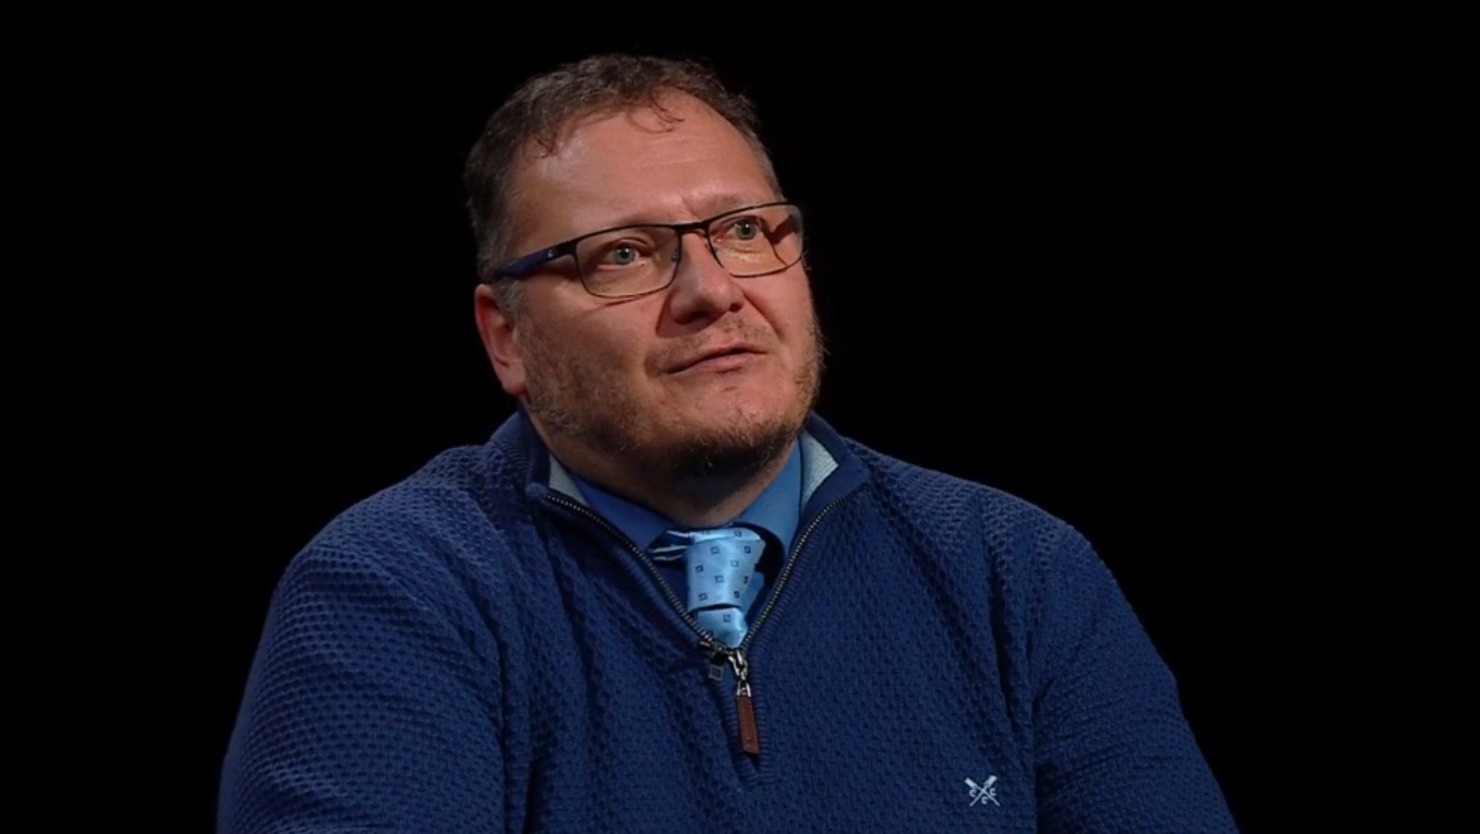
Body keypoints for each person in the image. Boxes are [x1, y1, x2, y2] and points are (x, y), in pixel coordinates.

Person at [219, 54, 1237, 832]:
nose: (712, 292)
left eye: (745, 231)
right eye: (623, 254)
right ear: (507, 337)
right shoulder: (392, 592)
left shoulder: (1015, 572)